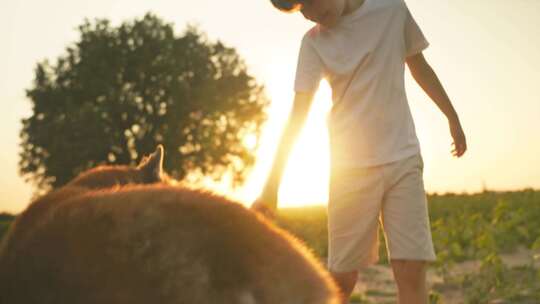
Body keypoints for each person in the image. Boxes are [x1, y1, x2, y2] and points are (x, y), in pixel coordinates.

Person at [252, 0, 467, 303]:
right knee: (341, 278)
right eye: (299, 10)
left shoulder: (391, 9)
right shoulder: (313, 43)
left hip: (402, 158)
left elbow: (418, 64)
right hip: (349, 169)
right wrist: (272, 187)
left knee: (411, 267)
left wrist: (451, 116)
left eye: (309, 2)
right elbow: (298, 116)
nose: (308, 15)